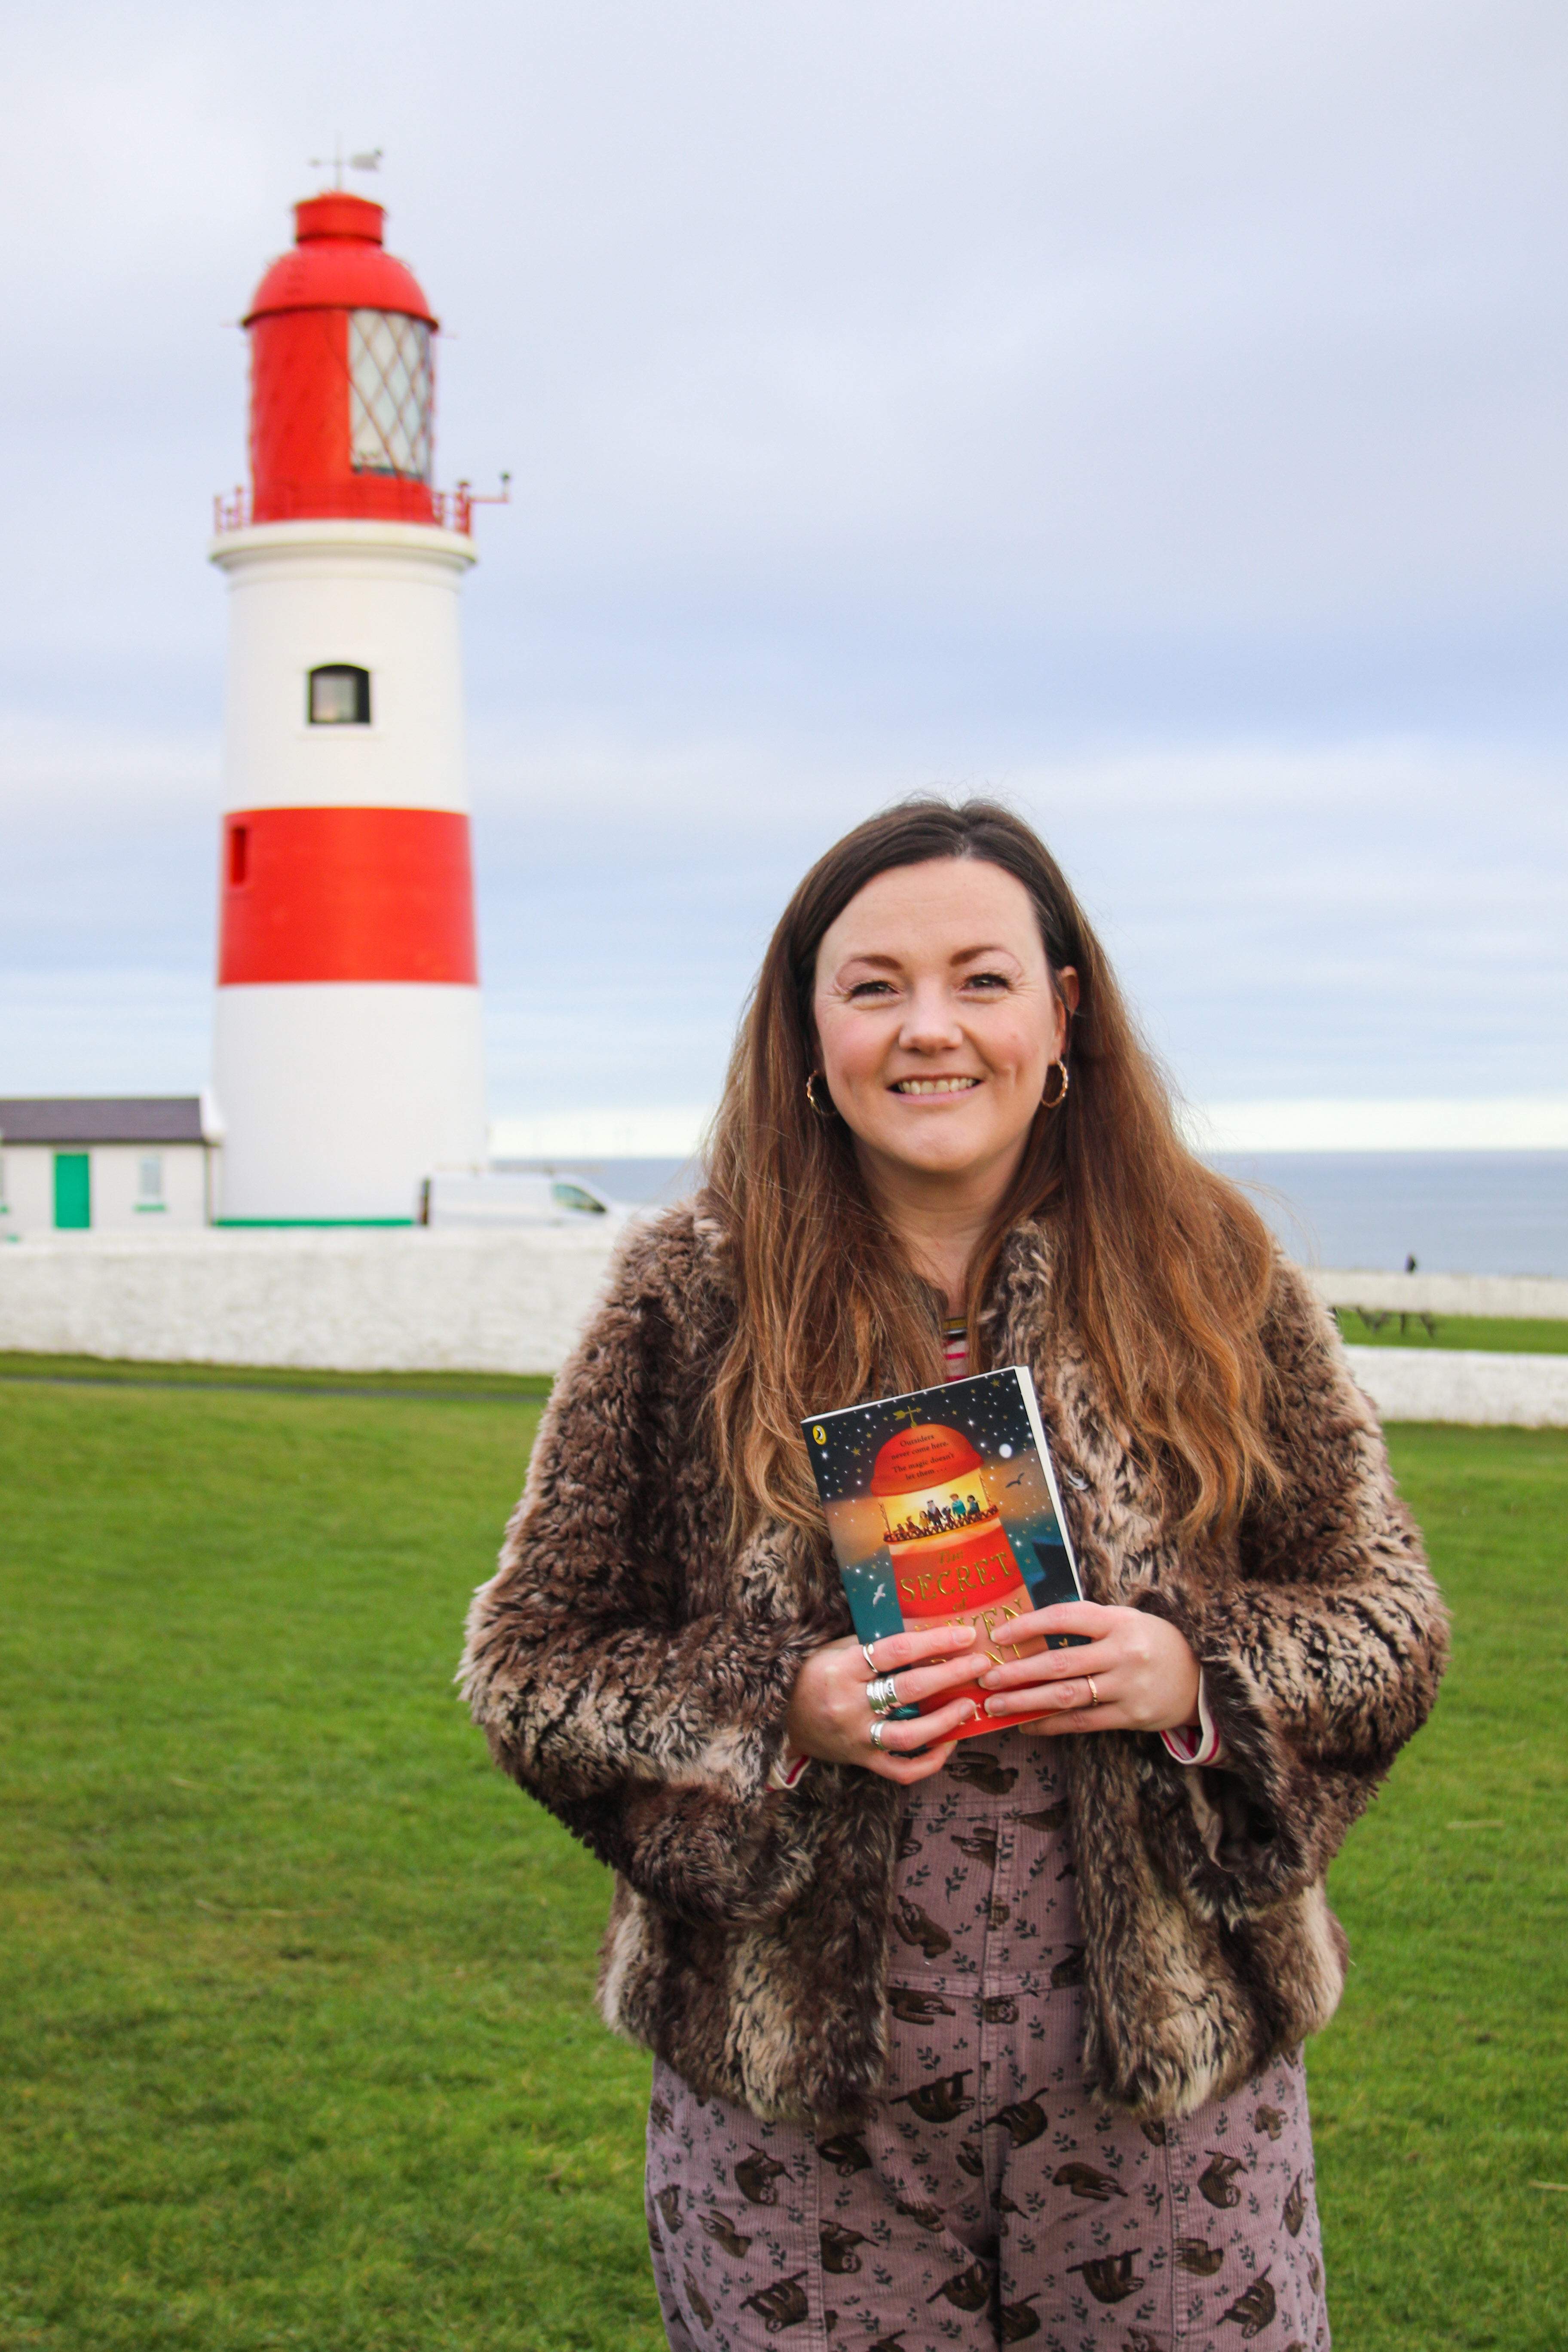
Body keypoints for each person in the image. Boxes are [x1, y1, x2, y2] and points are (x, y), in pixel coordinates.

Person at [461, 799, 1446, 2351]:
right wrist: (782, 1705)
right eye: (873, 986)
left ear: (1063, 1014)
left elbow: (1389, 1626)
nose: (932, 1030)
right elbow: (533, 1664)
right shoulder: (687, 1296)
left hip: (1172, 2113)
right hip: (800, 2129)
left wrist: (1193, 1673)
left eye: (983, 980)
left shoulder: (1216, 1273)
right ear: (807, 1027)